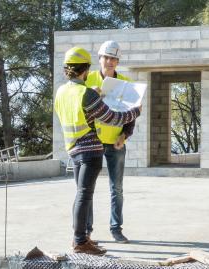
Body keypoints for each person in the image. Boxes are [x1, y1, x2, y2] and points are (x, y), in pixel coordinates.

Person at [54, 47, 141, 255]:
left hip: (73, 148)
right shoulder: (86, 92)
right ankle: (81, 240)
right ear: (86, 69)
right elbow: (113, 117)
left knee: (82, 194)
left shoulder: (62, 91)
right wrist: (136, 111)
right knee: (85, 195)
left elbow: (72, 114)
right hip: (90, 149)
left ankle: (81, 238)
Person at [85, 40, 135, 243]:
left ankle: (116, 229)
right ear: (100, 58)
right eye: (107, 57)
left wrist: (125, 135)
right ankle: (86, 231)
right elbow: (81, 112)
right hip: (93, 142)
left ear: (118, 61)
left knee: (117, 188)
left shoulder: (124, 82)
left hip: (116, 142)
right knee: (88, 188)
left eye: (114, 58)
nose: (110, 61)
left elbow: (131, 113)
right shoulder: (87, 81)